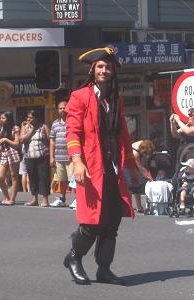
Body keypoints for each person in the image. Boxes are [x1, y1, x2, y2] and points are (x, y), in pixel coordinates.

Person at [63, 47, 139, 285]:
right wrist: (77, 161)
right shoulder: (80, 96)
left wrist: (132, 167)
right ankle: (74, 257)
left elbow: (124, 136)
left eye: (108, 66)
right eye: (100, 66)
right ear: (93, 70)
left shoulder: (116, 99)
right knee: (92, 220)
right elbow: (72, 131)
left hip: (113, 166)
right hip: (91, 166)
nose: (104, 70)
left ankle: (103, 269)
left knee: (112, 219)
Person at [20, 110, 50, 207]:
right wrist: (32, 130)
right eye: (28, 117)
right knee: (32, 178)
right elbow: (22, 139)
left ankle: (45, 199)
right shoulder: (25, 127)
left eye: (31, 117)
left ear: (36, 118)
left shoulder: (43, 127)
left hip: (42, 156)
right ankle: (34, 199)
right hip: (29, 157)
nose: (29, 119)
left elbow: (50, 140)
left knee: (43, 177)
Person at [49, 100, 72, 207]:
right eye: (60, 108)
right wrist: (51, 157)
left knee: (74, 179)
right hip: (59, 156)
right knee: (62, 180)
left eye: (64, 107)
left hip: (71, 156)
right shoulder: (55, 124)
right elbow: (52, 141)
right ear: (58, 110)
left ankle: (78, 200)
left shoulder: (73, 121)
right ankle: (62, 199)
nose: (63, 110)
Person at [0, 111, 21, 206]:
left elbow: (17, 144)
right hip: (4, 152)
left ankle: (12, 199)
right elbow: (0, 140)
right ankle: (6, 197)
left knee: (14, 176)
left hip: (13, 152)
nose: (1, 120)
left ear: (8, 119)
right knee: (0, 177)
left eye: (3, 118)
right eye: (1, 118)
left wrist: (6, 140)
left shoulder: (15, 128)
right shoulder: (2, 128)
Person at [128, 139, 155, 212]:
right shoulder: (135, 153)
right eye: (146, 154)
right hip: (127, 164)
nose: (147, 156)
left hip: (133, 162)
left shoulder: (144, 143)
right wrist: (150, 177)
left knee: (137, 184)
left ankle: (139, 206)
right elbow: (141, 167)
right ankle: (129, 206)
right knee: (130, 184)